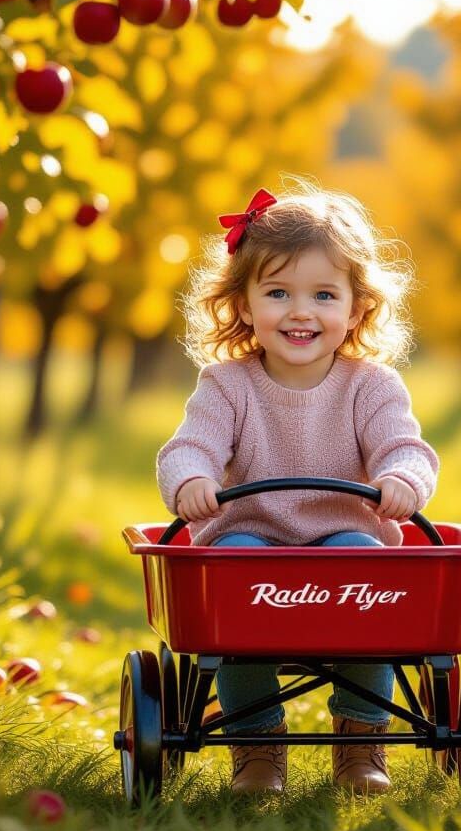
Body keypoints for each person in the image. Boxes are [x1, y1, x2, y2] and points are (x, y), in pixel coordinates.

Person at [156, 176, 439, 796]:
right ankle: (257, 746)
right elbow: (190, 446)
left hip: (344, 533)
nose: (301, 311)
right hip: (249, 537)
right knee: (232, 582)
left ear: (356, 308)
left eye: (323, 294)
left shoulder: (372, 386)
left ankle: (361, 742)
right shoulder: (227, 385)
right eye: (278, 292)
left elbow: (405, 447)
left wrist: (401, 480)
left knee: (371, 573)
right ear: (245, 303)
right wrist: (193, 480)